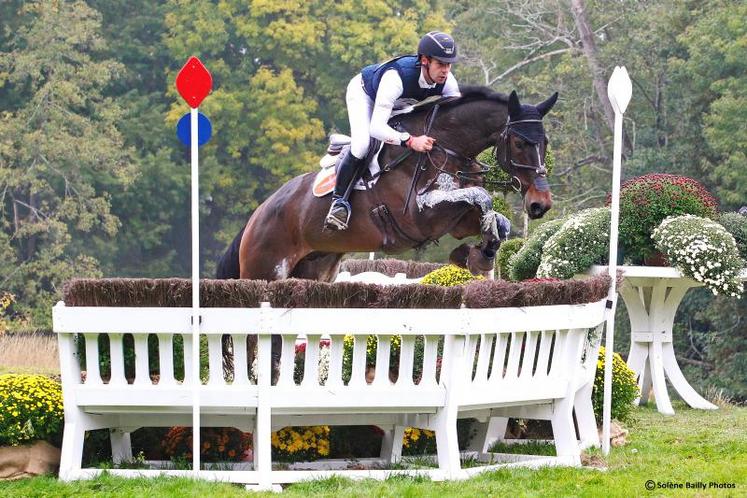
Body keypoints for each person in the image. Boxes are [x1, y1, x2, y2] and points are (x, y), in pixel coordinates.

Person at [324, 31, 461, 230]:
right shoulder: (396, 78)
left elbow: (455, 115)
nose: (445, 71)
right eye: (440, 64)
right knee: (363, 145)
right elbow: (377, 127)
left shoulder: (447, 81)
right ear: (424, 60)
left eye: (449, 65)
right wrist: (411, 141)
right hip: (365, 95)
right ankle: (339, 202)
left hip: (398, 104)